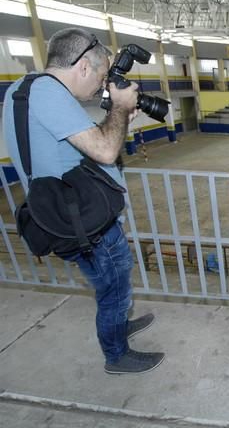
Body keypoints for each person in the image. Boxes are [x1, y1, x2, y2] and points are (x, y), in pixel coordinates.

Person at [2, 28, 164, 374]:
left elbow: (78, 144)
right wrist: (120, 108)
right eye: (103, 76)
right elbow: (105, 151)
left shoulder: (23, 88)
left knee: (112, 288)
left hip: (65, 211)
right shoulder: (49, 95)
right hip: (84, 221)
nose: (102, 85)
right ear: (83, 68)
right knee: (113, 291)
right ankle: (116, 355)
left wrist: (116, 118)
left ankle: (117, 325)